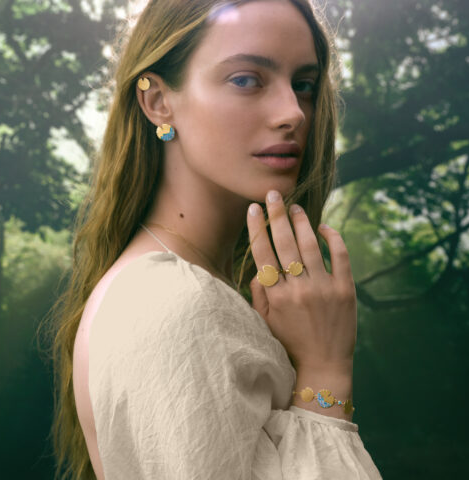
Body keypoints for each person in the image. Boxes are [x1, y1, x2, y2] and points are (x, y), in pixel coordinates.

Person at [40, 0, 383, 478]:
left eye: (303, 84)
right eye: (246, 79)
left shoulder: (177, 286)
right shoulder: (175, 303)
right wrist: (325, 372)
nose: (293, 112)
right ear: (158, 102)